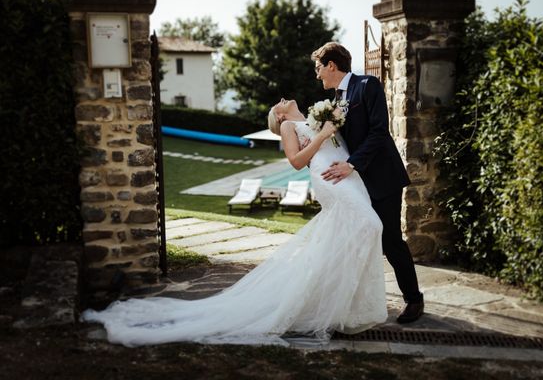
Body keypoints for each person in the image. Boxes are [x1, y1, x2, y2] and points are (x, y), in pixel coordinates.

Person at [82, 98, 388, 346]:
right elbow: (295, 162)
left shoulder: (313, 115)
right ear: (280, 117)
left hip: (347, 175)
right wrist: (322, 133)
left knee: (342, 238)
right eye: (278, 103)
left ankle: (342, 305)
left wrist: (329, 127)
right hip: (326, 177)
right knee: (371, 225)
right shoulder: (289, 128)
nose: (282, 100)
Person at [311, 41, 424, 323]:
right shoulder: (333, 102)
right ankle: (355, 304)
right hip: (356, 184)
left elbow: (378, 132)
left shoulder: (367, 85)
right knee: (355, 241)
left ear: (331, 66)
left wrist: (351, 165)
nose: (317, 74)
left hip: (382, 177)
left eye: (318, 68)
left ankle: (414, 300)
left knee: (390, 240)